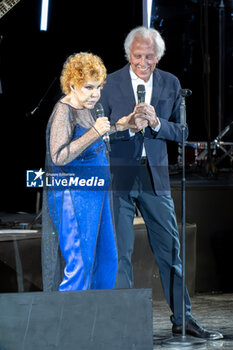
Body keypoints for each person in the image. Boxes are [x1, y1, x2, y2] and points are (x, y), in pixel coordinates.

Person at [99, 26, 223, 339]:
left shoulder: (171, 83)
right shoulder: (109, 84)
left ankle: (184, 319)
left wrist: (155, 123)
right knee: (120, 254)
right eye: (138, 55)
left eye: (149, 56)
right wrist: (126, 126)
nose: (143, 62)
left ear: (158, 56)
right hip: (119, 176)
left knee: (170, 250)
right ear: (129, 54)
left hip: (154, 175)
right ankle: (121, 324)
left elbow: (181, 133)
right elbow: (96, 132)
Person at [41, 52, 134, 292]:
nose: (95, 94)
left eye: (99, 87)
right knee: (81, 263)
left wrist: (119, 126)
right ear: (72, 84)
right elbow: (58, 156)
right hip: (74, 196)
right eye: (89, 87)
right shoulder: (64, 110)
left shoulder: (85, 108)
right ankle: (68, 325)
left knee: (106, 259)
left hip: (96, 193)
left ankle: (94, 322)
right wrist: (95, 132)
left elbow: (90, 142)